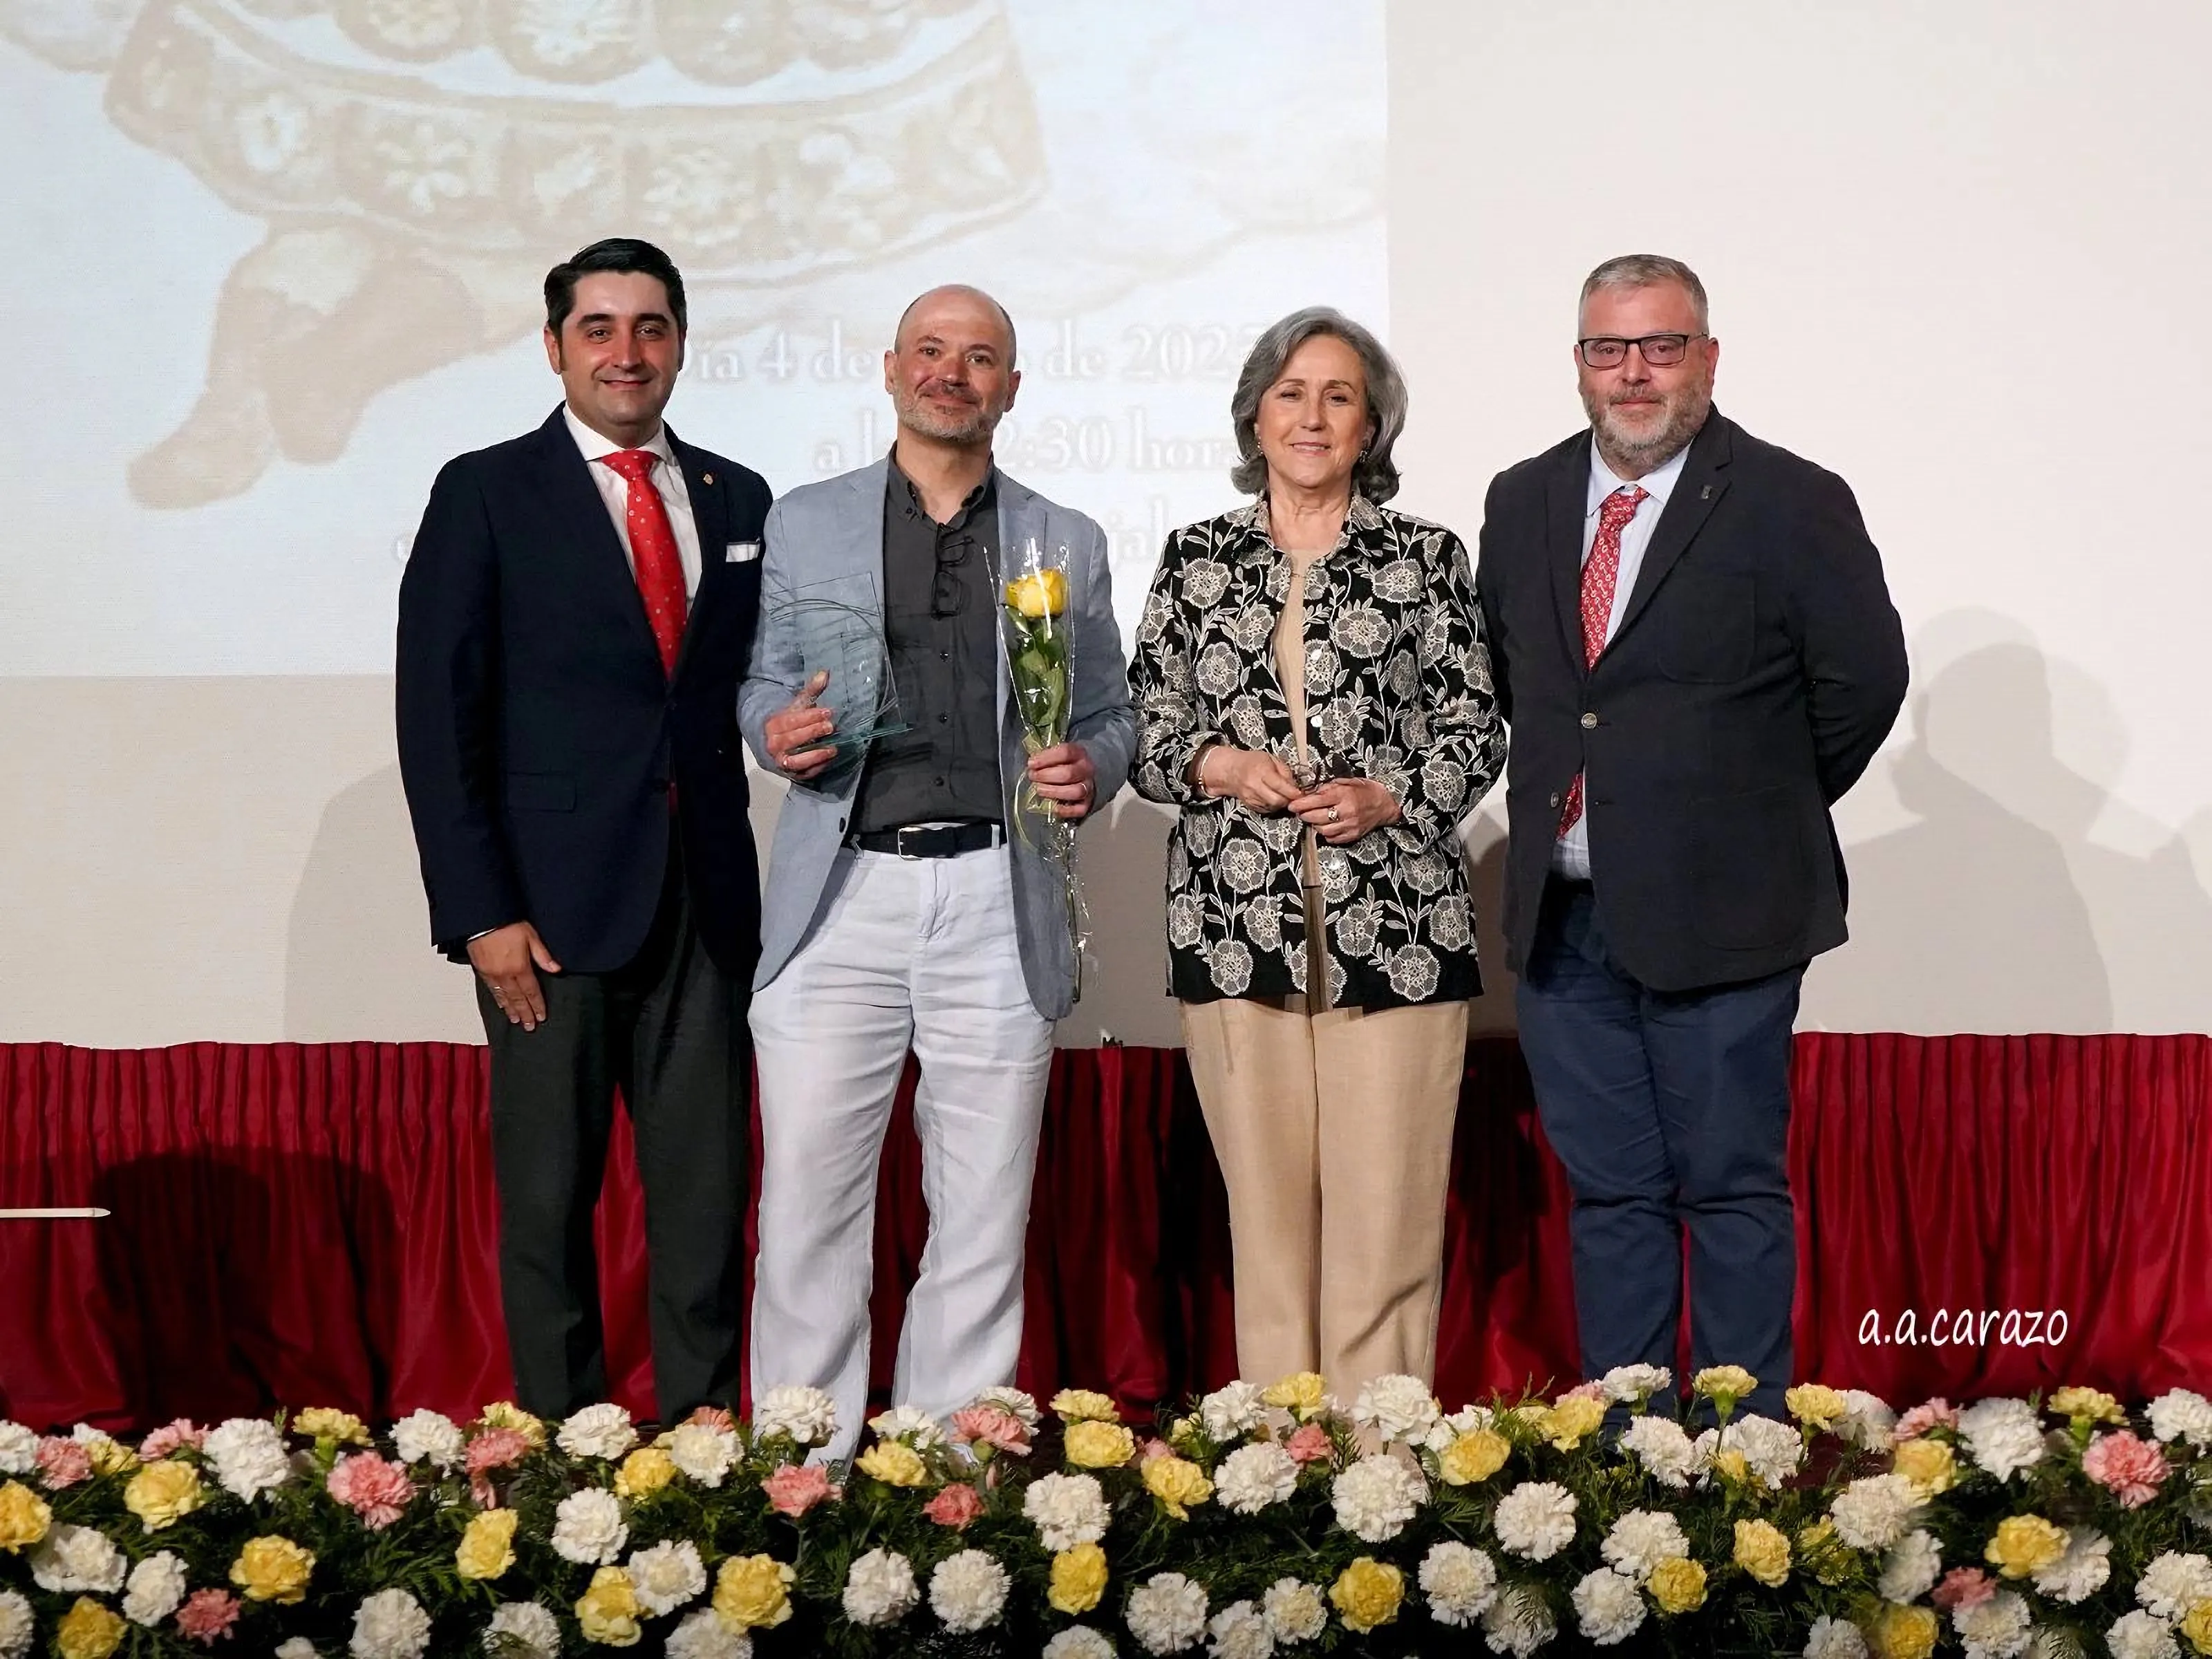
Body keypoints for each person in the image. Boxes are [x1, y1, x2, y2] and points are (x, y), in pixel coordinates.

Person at [1474, 254, 1908, 1420]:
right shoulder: (1522, 498)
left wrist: (1748, 813)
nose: (1635, 373)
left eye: (1662, 347)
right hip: (1565, 925)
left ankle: (1740, 1454)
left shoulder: (1791, 499)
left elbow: (1863, 683)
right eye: (1609, 349)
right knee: (1611, 1201)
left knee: (1729, 1193)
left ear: (1707, 358)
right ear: (1579, 364)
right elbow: (1528, 687)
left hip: (1732, 915)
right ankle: (1629, 1454)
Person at [740, 284, 1134, 1460]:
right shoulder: (807, 521)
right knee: (808, 1207)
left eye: (978, 357)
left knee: (982, 1214)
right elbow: (762, 683)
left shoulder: (1067, 538)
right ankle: (800, 1473)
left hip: (998, 895)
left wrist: (1094, 767)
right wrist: (769, 730)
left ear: (1011, 386)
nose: (951, 373)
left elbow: (1111, 715)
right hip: (841, 894)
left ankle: (950, 1480)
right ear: (890, 368)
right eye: (930, 350)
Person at [395, 237, 769, 1423]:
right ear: (554, 347)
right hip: (545, 918)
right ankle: (565, 1460)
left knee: (706, 1203)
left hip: (705, 906)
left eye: (650, 327)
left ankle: (703, 1447)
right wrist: (480, 913)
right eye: (598, 328)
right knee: (550, 1204)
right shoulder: (486, 490)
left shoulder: (738, 496)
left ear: (680, 345)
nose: (627, 351)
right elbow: (436, 714)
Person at [1127, 307, 1505, 1396]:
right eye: (1291, 393)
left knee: (1386, 1220)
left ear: (1371, 426)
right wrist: (1218, 764)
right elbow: (1145, 729)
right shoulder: (1196, 557)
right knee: (1268, 1221)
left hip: (1399, 934)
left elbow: (1475, 724)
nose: (1313, 416)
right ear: (1254, 415)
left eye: (1340, 397)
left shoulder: (1426, 556)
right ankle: (1279, 1452)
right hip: (1234, 932)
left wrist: (1392, 796)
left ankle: (1378, 1458)